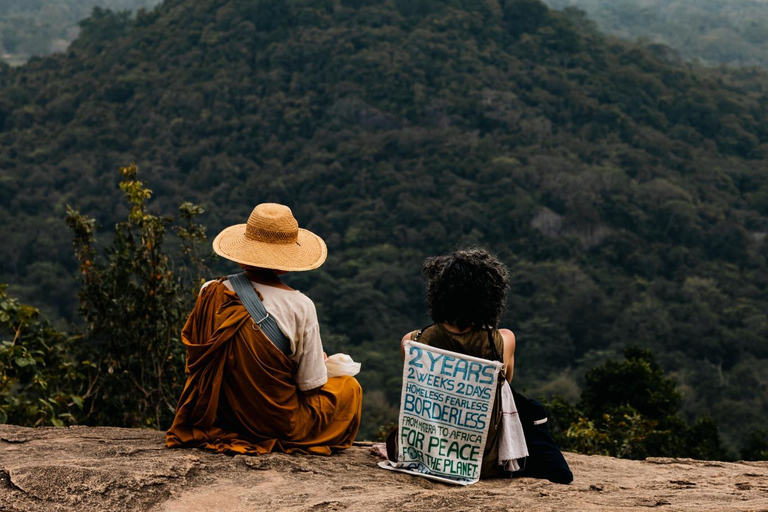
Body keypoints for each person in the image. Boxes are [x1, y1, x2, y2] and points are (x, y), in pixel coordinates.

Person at [166, 203, 362, 455]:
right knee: (349, 388)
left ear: (244, 252)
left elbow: (199, 362)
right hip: (275, 424)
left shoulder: (210, 291)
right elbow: (310, 385)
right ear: (288, 262)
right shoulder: (300, 305)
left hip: (217, 417)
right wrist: (321, 364)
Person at [400, 248, 572, 483]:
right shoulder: (503, 342)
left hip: (429, 457)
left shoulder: (412, 342)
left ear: (438, 294)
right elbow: (504, 386)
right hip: (485, 463)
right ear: (490, 297)